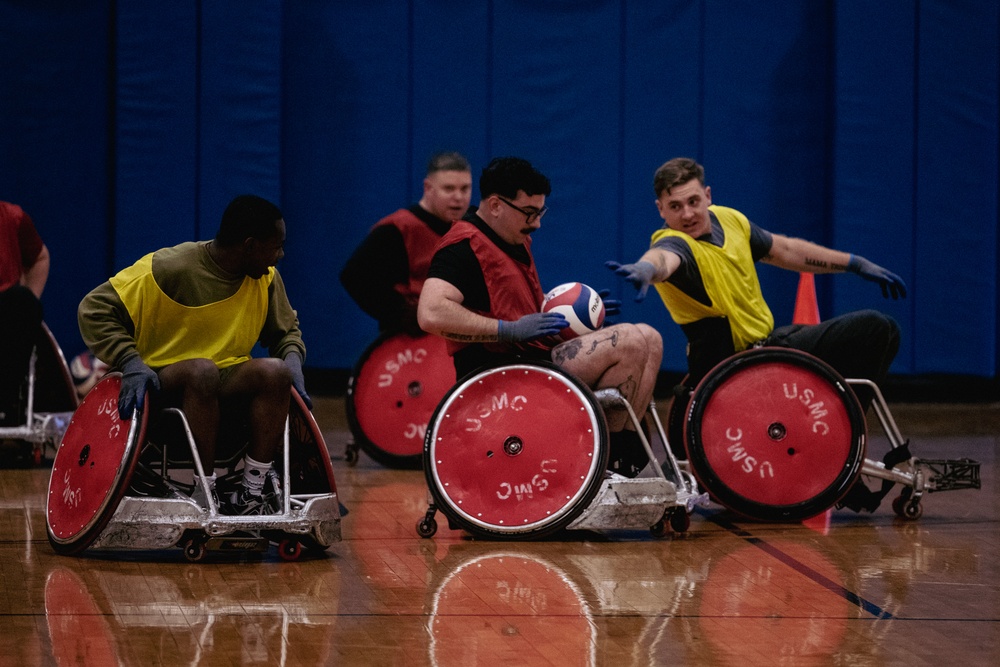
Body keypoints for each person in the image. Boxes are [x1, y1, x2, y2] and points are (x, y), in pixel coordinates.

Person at [418, 157, 663, 477]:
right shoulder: (462, 247)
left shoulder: (513, 238)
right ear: (494, 205)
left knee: (650, 337)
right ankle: (601, 462)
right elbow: (430, 312)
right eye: (529, 213)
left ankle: (622, 454)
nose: (536, 223)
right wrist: (506, 330)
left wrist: (582, 314)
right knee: (629, 341)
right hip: (500, 374)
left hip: (533, 357)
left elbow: (515, 307)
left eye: (539, 212)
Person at [78, 195, 309, 515]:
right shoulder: (169, 268)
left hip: (222, 379)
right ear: (250, 245)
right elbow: (93, 308)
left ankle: (250, 492)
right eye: (276, 246)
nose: (280, 255)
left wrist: (293, 361)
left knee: (276, 372)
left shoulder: (266, 277)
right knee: (202, 371)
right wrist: (130, 362)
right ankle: (205, 490)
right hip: (162, 380)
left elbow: (286, 334)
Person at [607, 157, 905, 391]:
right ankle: (843, 426)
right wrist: (646, 269)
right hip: (738, 363)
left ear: (707, 196)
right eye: (675, 206)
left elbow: (786, 250)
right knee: (875, 327)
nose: (686, 214)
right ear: (661, 210)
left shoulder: (729, 219)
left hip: (771, 343)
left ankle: (842, 422)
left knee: (887, 330)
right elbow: (663, 258)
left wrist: (855, 263)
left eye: (693, 202)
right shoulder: (674, 242)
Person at [341, 151, 473, 336]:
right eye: (449, 189)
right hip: (408, 344)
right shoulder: (398, 229)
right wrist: (402, 315)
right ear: (428, 188)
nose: (458, 197)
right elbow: (354, 276)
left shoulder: (469, 230)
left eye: (465, 189)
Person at [0, 201, 50, 426]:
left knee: (23, 303)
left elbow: (40, 258)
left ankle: (5, 402)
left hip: (5, 313)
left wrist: (29, 306)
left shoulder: (12, 217)